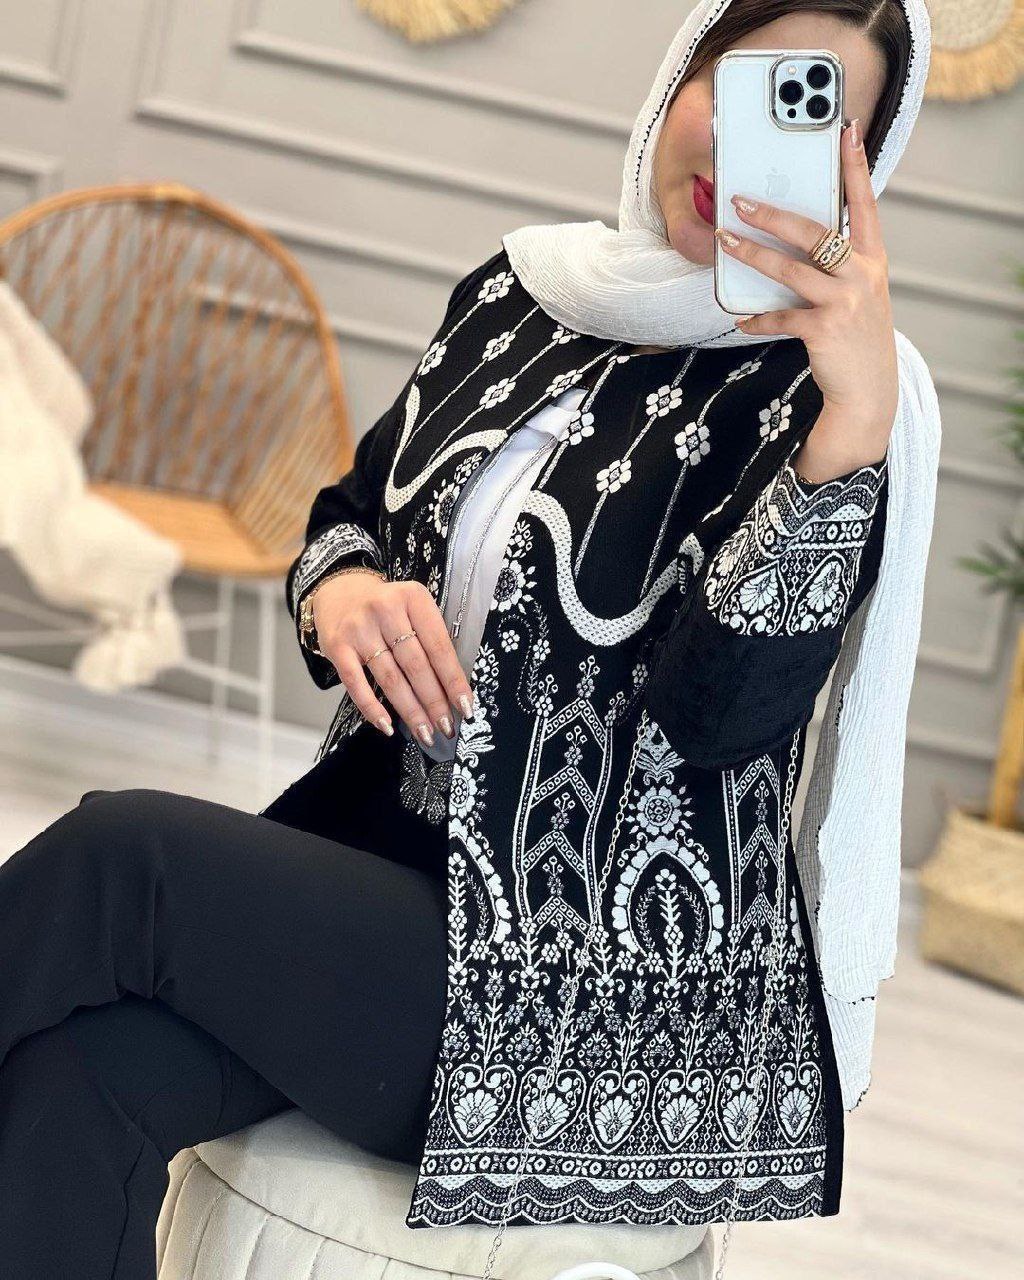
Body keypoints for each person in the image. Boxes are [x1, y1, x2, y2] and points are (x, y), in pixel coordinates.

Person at [0, 1, 940, 1276]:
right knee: (73, 1074)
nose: (740, 144)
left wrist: (846, 441)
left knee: (127, 852)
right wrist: (342, 595)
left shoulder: (824, 398)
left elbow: (721, 722)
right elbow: (351, 510)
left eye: (806, 112)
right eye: (734, 83)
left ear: (858, 172)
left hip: (588, 995)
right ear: (677, 80)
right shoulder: (521, 292)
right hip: (385, 884)